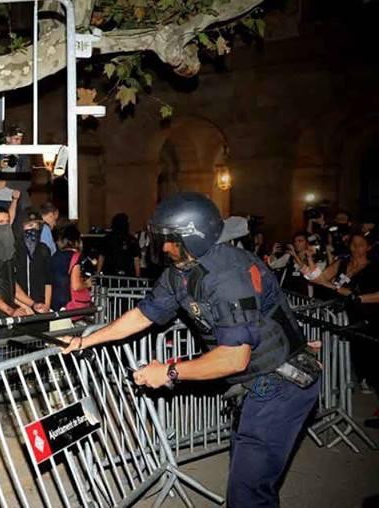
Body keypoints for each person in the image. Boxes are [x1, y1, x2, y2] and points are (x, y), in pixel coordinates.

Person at [63, 192, 319, 507]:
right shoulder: (180, 272)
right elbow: (144, 314)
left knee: (248, 493)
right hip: (258, 383)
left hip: (280, 383)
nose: (163, 247)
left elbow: (234, 357)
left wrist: (168, 372)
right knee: (252, 482)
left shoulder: (228, 275)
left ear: (193, 236)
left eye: (169, 240)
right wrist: (86, 340)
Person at [306, 233, 379, 413]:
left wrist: (356, 297)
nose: (356, 248)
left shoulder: (374, 268)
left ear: (368, 247)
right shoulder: (342, 263)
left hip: (368, 318)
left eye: (361, 245)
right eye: (353, 244)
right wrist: (309, 259)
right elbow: (319, 279)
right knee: (348, 357)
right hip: (341, 317)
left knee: (372, 363)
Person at [49, 225, 92, 315]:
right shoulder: (76, 256)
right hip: (68, 304)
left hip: (53, 303)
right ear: (77, 240)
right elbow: (76, 285)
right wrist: (87, 284)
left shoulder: (54, 256)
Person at [98, 213, 141, 277]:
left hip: (110, 275)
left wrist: (98, 273)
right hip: (127, 276)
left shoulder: (107, 239)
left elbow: (101, 257)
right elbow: (136, 259)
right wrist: (138, 276)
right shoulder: (132, 240)